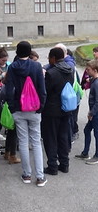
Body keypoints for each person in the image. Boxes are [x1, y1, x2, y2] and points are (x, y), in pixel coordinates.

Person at [5, 41, 47, 187]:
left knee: (22, 142)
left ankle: (27, 174)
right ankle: (40, 176)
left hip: (18, 108)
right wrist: (41, 107)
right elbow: (42, 88)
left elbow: (8, 89)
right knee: (36, 142)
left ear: (17, 52)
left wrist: (11, 107)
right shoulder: (36, 66)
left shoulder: (12, 68)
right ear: (29, 52)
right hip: (34, 108)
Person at [41, 47, 74, 175]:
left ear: (53, 58)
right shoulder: (70, 70)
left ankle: (52, 166)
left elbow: (46, 92)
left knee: (51, 138)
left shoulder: (52, 73)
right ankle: (64, 164)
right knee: (63, 137)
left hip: (52, 110)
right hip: (66, 108)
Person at [0, 66, 20, 164]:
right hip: (13, 111)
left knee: (9, 133)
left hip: (5, 111)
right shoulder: (14, 87)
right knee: (14, 133)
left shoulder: (4, 85)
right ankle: (12, 155)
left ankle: (7, 153)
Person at [75, 59, 98, 164]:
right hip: (94, 112)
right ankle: (85, 153)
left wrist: (91, 113)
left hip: (95, 113)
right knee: (87, 130)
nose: (86, 71)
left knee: (96, 134)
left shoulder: (96, 84)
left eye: (88, 70)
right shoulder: (94, 81)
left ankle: (96, 155)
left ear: (95, 70)